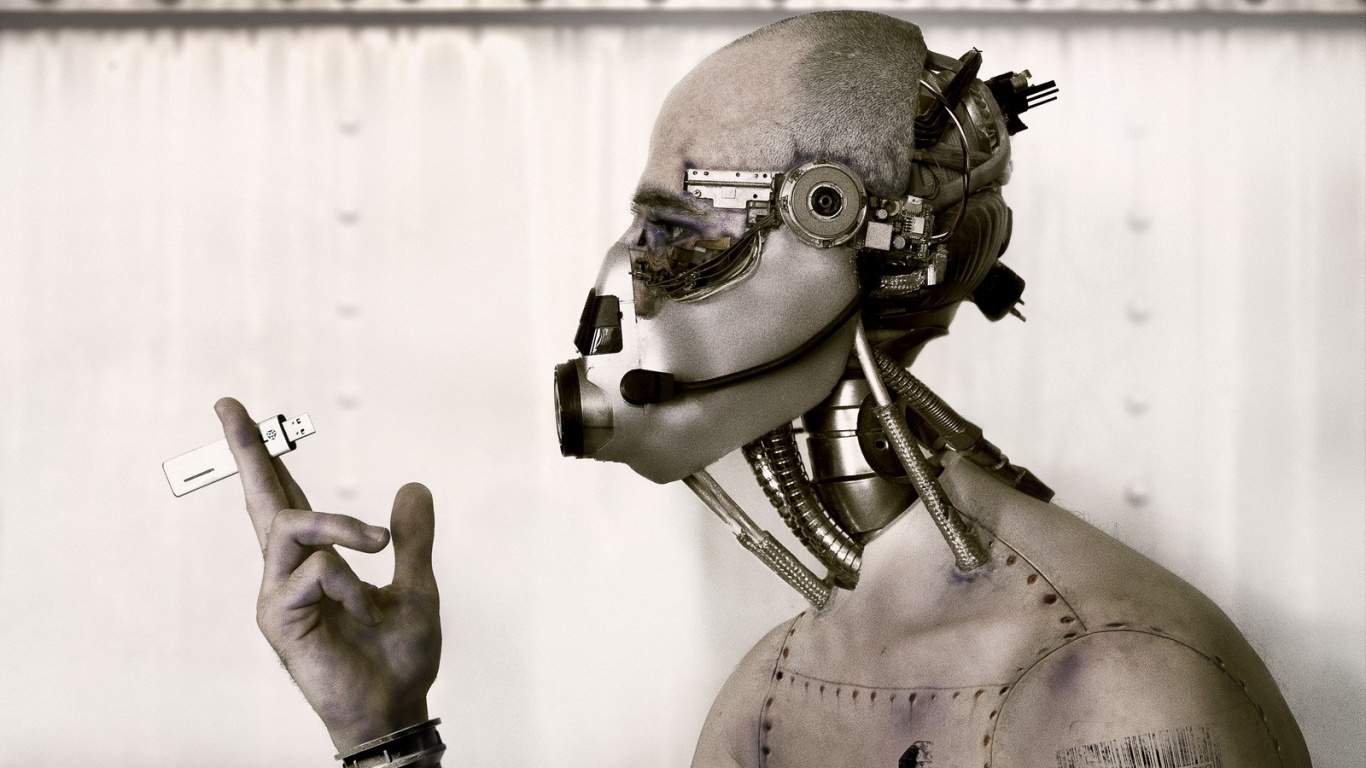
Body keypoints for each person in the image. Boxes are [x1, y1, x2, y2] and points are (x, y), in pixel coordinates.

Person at [216, 12, 1311, 767]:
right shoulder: (778, 689)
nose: (624, 291)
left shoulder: (1115, 686)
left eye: (679, 235)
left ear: (837, 224)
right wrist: (383, 729)